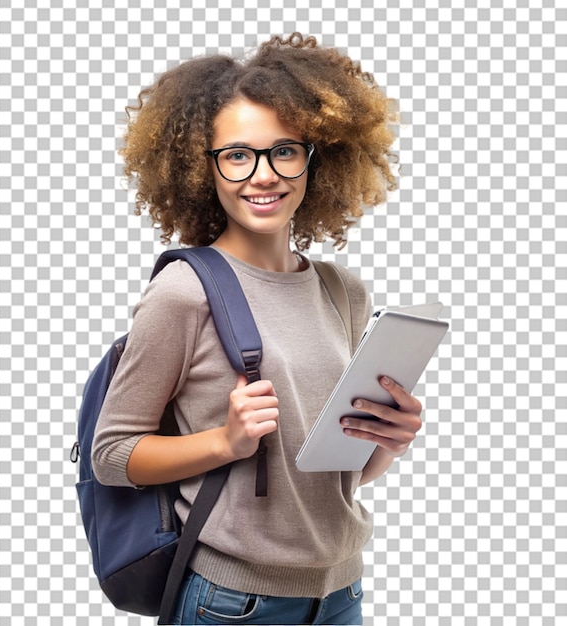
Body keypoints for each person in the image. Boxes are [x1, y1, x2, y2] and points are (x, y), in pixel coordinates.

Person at [91, 33, 423, 625]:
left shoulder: (341, 291)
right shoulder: (183, 293)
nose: (262, 175)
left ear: (316, 158)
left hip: (342, 594)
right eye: (237, 155)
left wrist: (387, 443)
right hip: (233, 603)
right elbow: (113, 455)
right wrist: (225, 441)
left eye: (284, 152)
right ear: (206, 168)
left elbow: (337, 477)